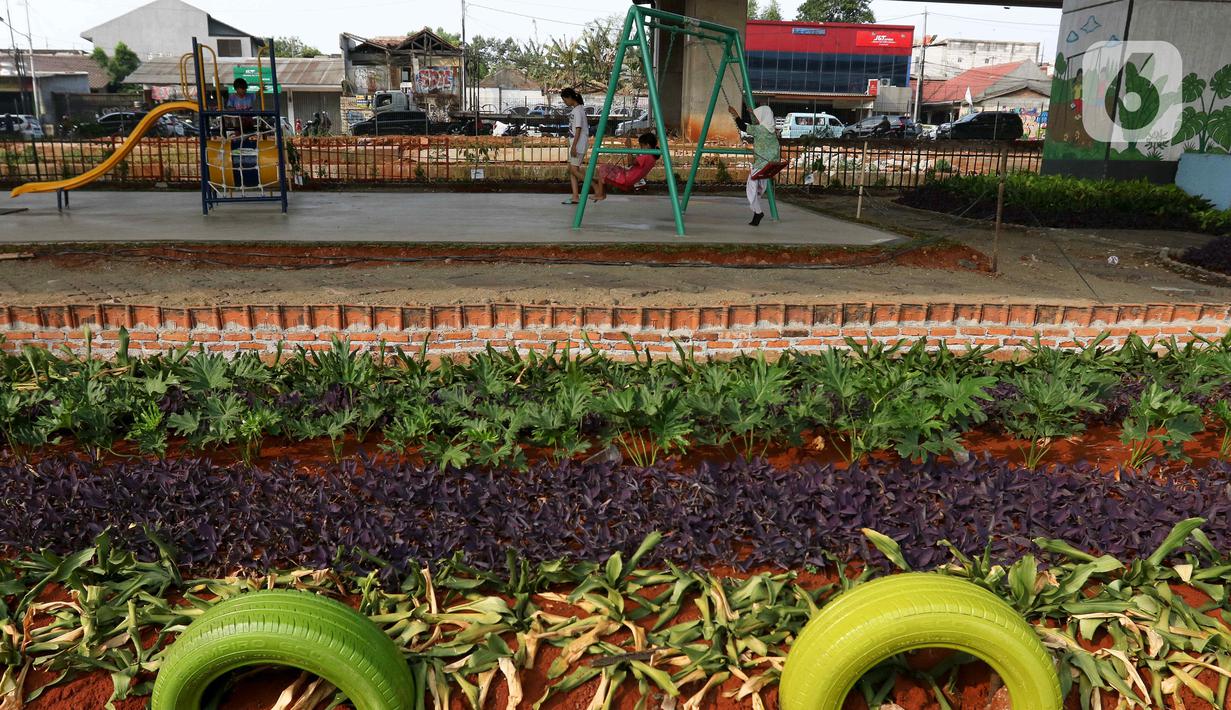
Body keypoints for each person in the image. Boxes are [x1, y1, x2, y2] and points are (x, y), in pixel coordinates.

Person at [728, 104, 780, 226]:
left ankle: (758, 212)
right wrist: (752, 113)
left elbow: (743, 127)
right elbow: (756, 123)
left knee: (751, 188)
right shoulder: (771, 130)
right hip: (771, 165)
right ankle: (756, 212)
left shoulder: (760, 130)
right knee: (759, 189)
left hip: (761, 165)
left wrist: (735, 113)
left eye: (758, 116)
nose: (757, 119)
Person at [590, 132, 659, 202]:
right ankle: (601, 190)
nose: (641, 148)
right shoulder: (653, 158)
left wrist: (629, 147)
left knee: (602, 168)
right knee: (607, 168)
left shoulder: (646, 156)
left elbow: (630, 162)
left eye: (641, 146)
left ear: (647, 145)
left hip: (627, 178)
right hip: (630, 177)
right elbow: (635, 163)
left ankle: (600, 193)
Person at [560, 87, 589, 205]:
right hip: (577, 143)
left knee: (573, 170)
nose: (565, 102)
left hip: (578, 144)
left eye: (565, 100)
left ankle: (594, 184)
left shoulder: (577, 111)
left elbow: (578, 129)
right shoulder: (578, 109)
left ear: (570, 97)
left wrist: (574, 146)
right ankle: (575, 196)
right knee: (573, 170)